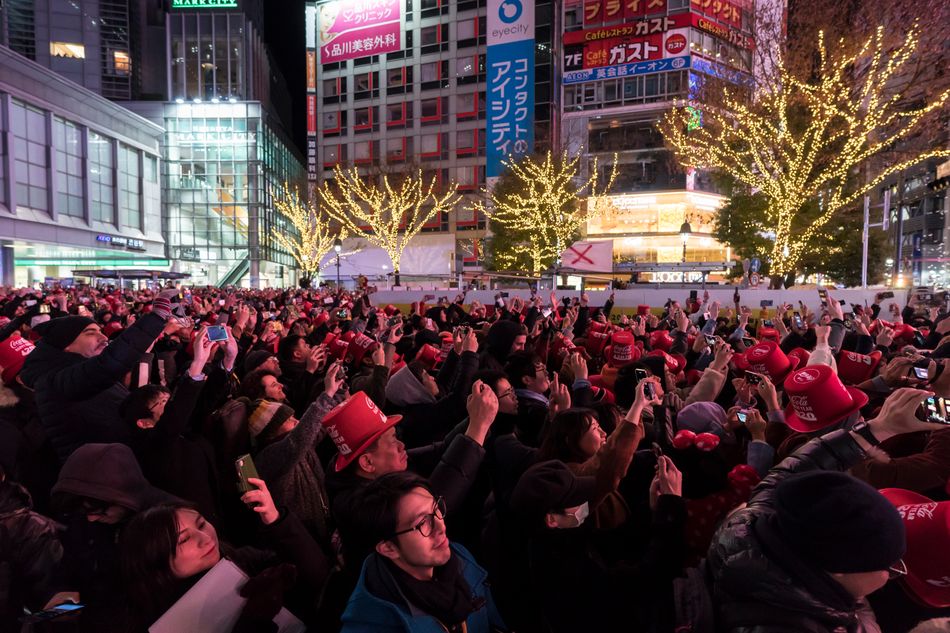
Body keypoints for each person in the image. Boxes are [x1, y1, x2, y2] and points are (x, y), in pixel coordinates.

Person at [708, 387, 946, 632]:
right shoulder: (801, 624)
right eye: (891, 566)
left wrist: (880, 428)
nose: (891, 574)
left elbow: (789, 473)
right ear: (841, 570)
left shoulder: (749, 529)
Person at [119, 477, 330, 631]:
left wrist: (276, 520)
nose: (205, 537)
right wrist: (253, 622)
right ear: (156, 562)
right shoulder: (164, 623)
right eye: (184, 539)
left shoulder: (245, 561)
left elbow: (320, 578)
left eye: (201, 523)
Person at [340, 472, 506, 632]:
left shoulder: (459, 558)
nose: (441, 526)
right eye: (422, 523)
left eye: (436, 508)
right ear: (389, 548)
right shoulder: (372, 624)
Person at [19, 293, 174, 461]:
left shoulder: (78, 372)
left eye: (101, 331)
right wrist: (156, 318)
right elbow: (109, 364)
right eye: (90, 333)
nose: (104, 337)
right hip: (101, 473)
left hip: (114, 463)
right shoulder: (55, 381)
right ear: (67, 346)